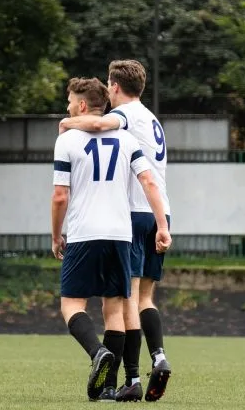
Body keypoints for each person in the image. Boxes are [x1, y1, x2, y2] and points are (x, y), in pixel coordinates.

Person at [59, 59, 173, 402]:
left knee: (125, 302)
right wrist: (164, 224)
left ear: (115, 87)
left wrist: (67, 121)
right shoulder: (153, 119)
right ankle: (159, 357)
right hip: (159, 211)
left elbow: (96, 123)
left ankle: (132, 379)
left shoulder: (126, 116)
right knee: (145, 299)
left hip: (133, 215)